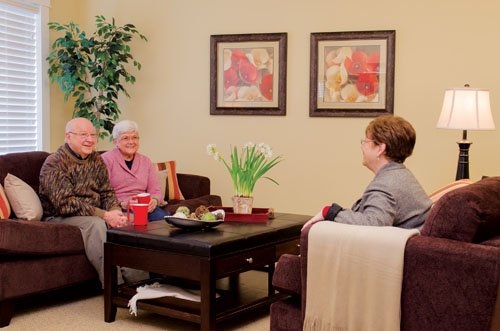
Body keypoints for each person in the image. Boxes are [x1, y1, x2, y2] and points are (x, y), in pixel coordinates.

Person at [39, 117, 149, 286]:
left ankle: (140, 285)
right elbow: (65, 204)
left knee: (127, 222)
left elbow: (107, 191)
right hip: (59, 216)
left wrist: (115, 211)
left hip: (93, 212)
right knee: (96, 224)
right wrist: (104, 215)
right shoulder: (54, 163)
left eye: (93, 134)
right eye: (83, 134)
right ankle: (115, 287)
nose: (90, 139)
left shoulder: (96, 160)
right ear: (68, 137)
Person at [303, 115, 432, 230]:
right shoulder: (402, 175)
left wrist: (330, 212)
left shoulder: (385, 185)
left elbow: (373, 224)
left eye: (366, 141)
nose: (362, 146)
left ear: (380, 149)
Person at [101, 120, 169, 221]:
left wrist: (154, 200)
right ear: (116, 141)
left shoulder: (145, 161)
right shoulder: (105, 160)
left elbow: (155, 190)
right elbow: (101, 193)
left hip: (145, 208)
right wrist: (123, 203)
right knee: (135, 228)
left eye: (134, 137)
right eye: (125, 138)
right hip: (118, 208)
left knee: (166, 222)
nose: (131, 142)